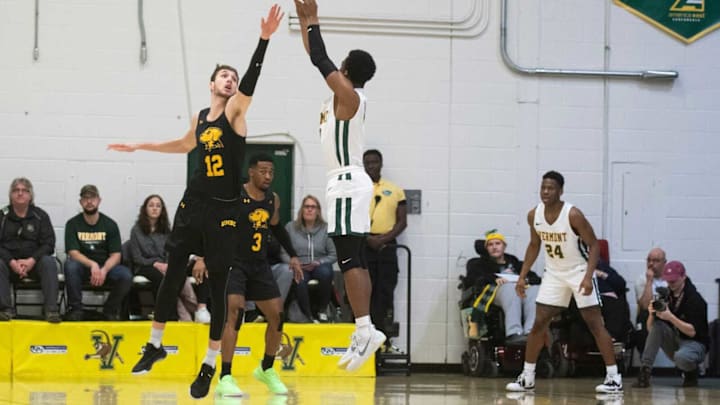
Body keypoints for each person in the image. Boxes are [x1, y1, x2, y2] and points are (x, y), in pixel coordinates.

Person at [108, 5, 283, 397]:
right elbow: (183, 144)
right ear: (211, 83)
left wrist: (264, 40)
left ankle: (210, 366)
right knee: (172, 273)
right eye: (225, 75)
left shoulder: (236, 113)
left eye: (234, 78)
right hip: (193, 204)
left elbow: (251, 82)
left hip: (225, 210)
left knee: (220, 287)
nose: (231, 80)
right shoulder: (201, 117)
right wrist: (141, 145)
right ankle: (154, 345)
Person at [294, 0, 385, 372]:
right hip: (346, 183)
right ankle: (366, 330)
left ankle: (364, 329)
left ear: (346, 70)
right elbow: (314, 55)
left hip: (347, 181)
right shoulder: (340, 97)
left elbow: (319, 58)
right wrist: (304, 22)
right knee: (355, 258)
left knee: (347, 258)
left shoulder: (350, 97)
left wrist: (313, 19)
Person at [506, 171, 622, 394]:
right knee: (539, 323)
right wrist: (522, 276)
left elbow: (594, 245)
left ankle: (613, 377)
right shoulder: (534, 215)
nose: (546, 192)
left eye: (550, 188)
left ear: (560, 191)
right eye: (543, 188)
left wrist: (588, 277)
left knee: (595, 324)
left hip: (579, 271)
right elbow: (533, 245)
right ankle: (527, 377)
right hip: (554, 274)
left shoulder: (573, 215)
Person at [212, 153, 302, 398]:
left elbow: (276, 227)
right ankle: (225, 377)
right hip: (234, 264)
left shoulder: (272, 199)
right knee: (236, 313)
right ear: (251, 171)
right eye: (263, 171)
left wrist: (293, 255)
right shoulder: (234, 196)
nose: (268, 176)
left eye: (271, 172)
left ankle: (266, 368)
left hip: (259, 265)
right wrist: (202, 257)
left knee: (278, 317)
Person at [633, 260, 709, 388]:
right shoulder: (666, 296)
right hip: (677, 340)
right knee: (658, 326)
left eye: (674, 280)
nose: (671, 283)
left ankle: (691, 372)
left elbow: (692, 332)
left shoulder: (695, 299)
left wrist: (671, 317)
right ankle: (645, 372)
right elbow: (651, 330)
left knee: (681, 357)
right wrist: (652, 314)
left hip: (695, 343)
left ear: (683, 277)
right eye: (668, 280)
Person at [64, 184, 133, 321]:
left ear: (99, 200)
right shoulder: (72, 224)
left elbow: (116, 255)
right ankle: (76, 309)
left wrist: (104, 270)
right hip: (83, 267)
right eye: (85, 198)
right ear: (81, 202)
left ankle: (110, 310)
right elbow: (73, 252)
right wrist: (93, 265)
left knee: (126, 275)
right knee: (70, 266)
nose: (89, 201)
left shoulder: (110, 224)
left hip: (106, 268)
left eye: (93, 197)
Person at [128, 194, 199, 321]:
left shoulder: (166, 230)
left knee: (178, 274)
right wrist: (155, 263)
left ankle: (179, 314)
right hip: (145, 266)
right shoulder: (136, 230)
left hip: (165, 265)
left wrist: (168, 265)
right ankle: (177, 314)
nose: (154, 208)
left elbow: (171, 252)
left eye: (158, 206)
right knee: (163, 279)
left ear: (162, 210)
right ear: (145, 209)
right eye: (151, 205)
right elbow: (137, 257)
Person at [362, 149, 407, 349]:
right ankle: (365, 338)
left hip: (386, 247)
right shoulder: (357, 188)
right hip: (363, 245)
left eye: (375, 162)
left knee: (385, 291)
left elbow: (402, 221)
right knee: (365, 292)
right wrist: (368, 238)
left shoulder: (394, 190)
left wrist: (383, 240)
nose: (371, 166)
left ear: (381, 164)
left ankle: (384, 338)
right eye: (368, 162)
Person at [0, 178, 60, 323]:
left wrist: (31, 260)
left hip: (34, 263)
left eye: (24, 190)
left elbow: (49, 244)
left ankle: (51, 310)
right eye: (16, 190)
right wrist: (12, 262)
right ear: (11, 195)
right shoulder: (2, 215)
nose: (20, 194)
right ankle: (5, 310)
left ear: (30, 195)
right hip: (9, 264)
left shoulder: (41, 216)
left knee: (49, 262)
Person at [474, 230, 540, 344]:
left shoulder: (515, 263)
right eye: (490, 245)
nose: (494, 247)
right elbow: (475, 278)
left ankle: (530, 331)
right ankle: (514, 332)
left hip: (519, 290)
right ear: (486, 249)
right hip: (497, 292)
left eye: (497, 244)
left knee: (535, 290)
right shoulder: (479, 264)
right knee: (511, 289)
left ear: (504, 246)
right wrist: (493, 278)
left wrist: (525, 280)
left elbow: (536, 278)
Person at [282, 194, 337, 323]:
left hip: (318, 264)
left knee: (326, 272)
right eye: (306, 206)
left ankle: (322, 310)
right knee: (299, 279)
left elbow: (333, 255)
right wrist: (293, 263)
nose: (309, 210)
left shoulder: (326, 229)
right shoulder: (290, 228)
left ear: (318, 211)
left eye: (313, 207)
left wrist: (319, 262)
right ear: (302, 209)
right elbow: (283, 252)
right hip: (299, 265)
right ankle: (309, 316)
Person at [634, 247, 668, 352]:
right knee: (644, 318)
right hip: (649, 315)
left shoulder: (671, 279)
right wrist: (649, 281)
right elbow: (644, 306)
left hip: (668, 315)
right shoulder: (641, 279)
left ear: (664, 263)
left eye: (656, 260)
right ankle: (646, 364)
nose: (651, 263)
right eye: (649, 260)